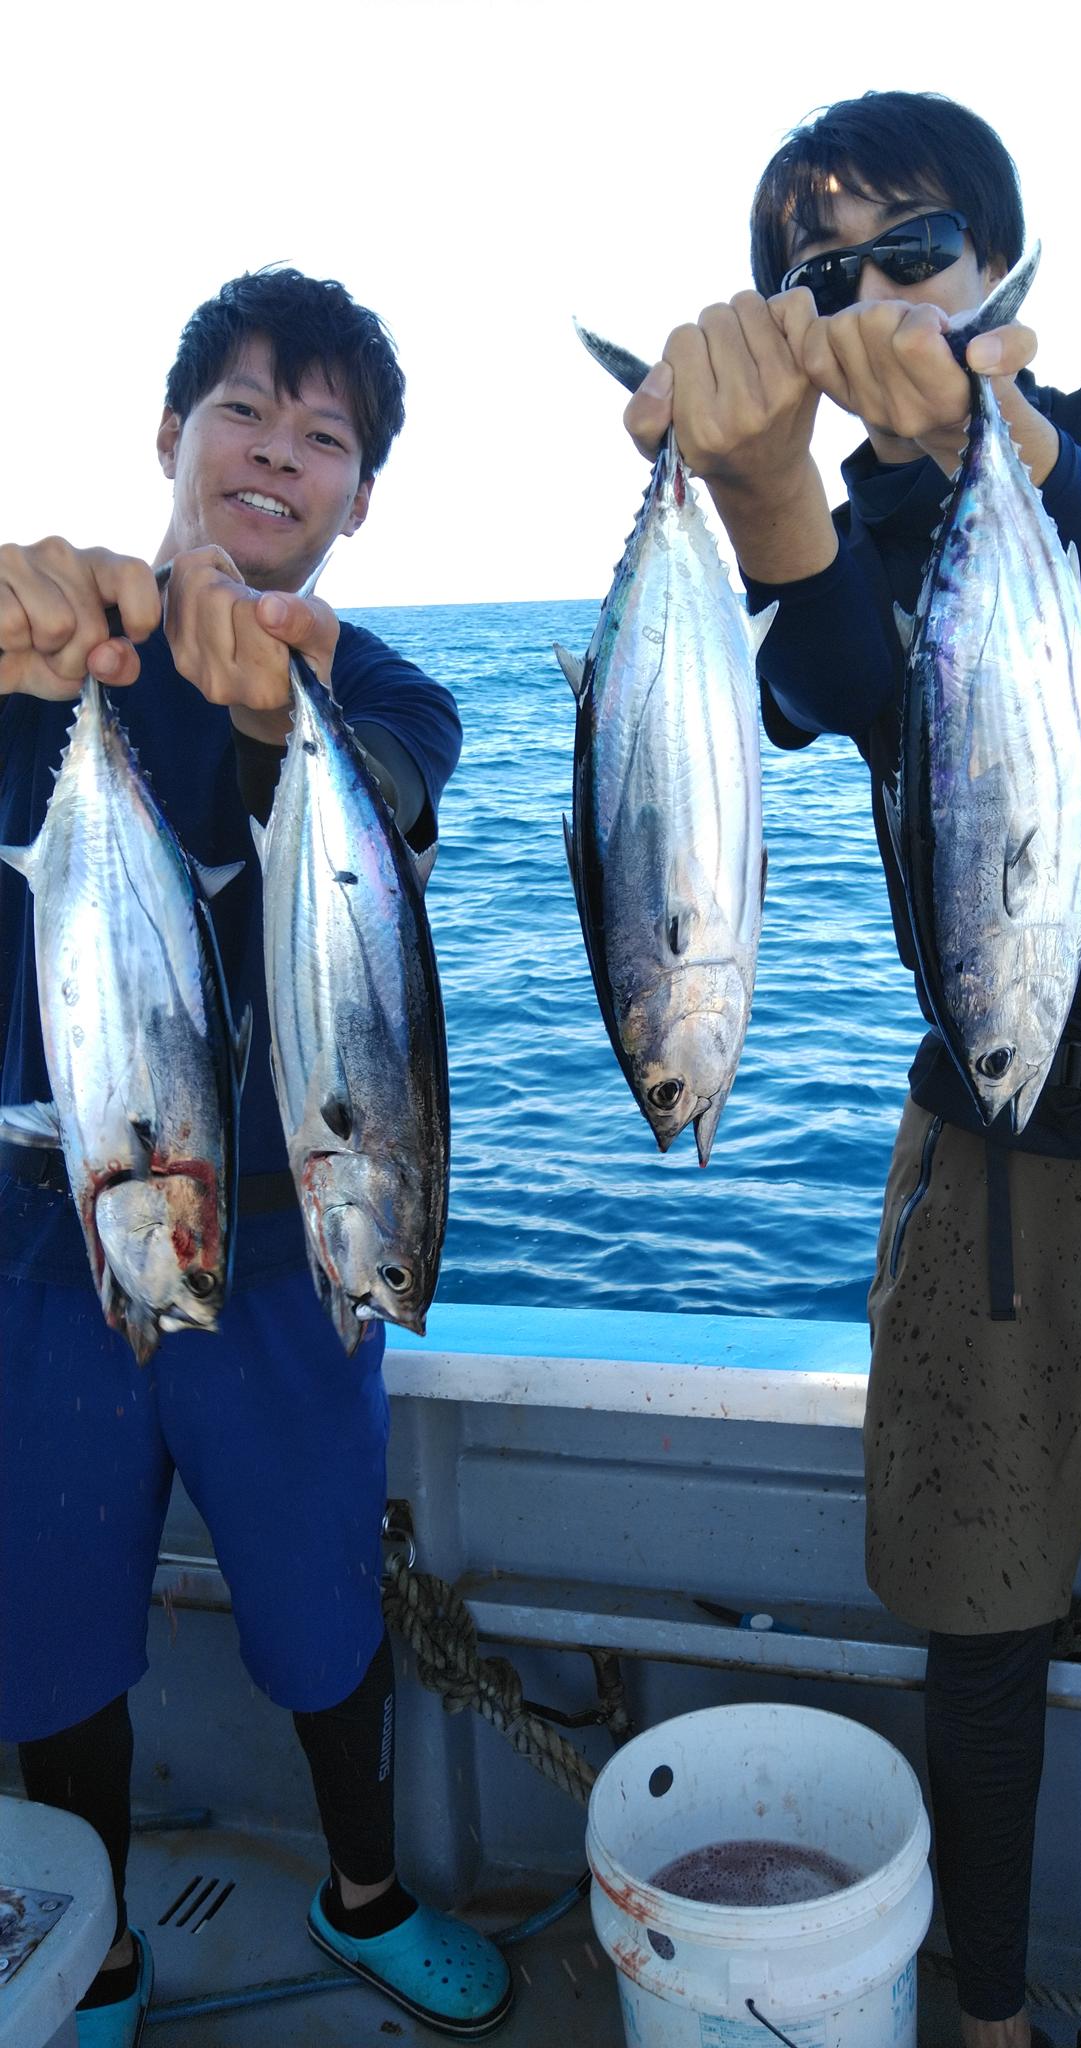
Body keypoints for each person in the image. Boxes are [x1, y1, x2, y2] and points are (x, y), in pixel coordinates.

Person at [623, 90, 1081, 2048]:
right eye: (818, 276)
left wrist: (1012, 442)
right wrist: (765, 480)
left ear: (1000, 259)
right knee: (982, 1622)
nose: (871, 294)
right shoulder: (864, 532)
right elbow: (822, 679)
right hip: (991, 1153)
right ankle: (990, 2019)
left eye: (912, 248)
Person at [0, 268, 513, 2045]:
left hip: (295, 1252)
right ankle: (92, 1948)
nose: (279, 455)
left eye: (325, 438)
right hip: (52, 1247)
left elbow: (395, 785)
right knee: (49, 1629)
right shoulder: (46, 665)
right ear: (170, 432)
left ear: (361, 498)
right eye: (244, 410)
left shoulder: (383, 692)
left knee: (319, 1610)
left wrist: (278, 719)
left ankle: (362, 1893)